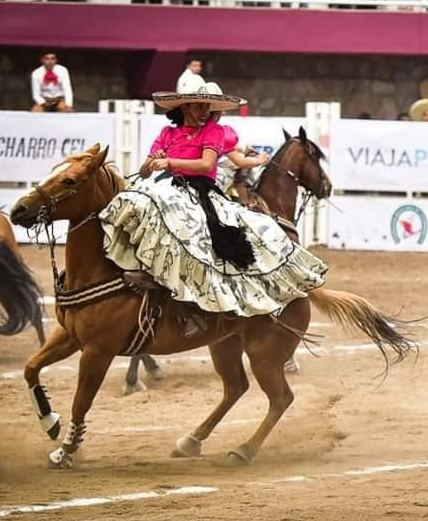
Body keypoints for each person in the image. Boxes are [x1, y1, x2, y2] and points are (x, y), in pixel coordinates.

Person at [100, 76, 327, 335]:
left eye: (207, 107)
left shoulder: (215, 131)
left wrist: (170, 162)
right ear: (184, 107)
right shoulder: (167, 134)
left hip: (201, 191)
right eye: (199, 107)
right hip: (169, 189)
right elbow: (144, 171)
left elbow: (207, 165)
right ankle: (136, 275)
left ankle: (198, 306)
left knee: (200, 236)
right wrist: (152, 163)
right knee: (135, 208)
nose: (205, 112)